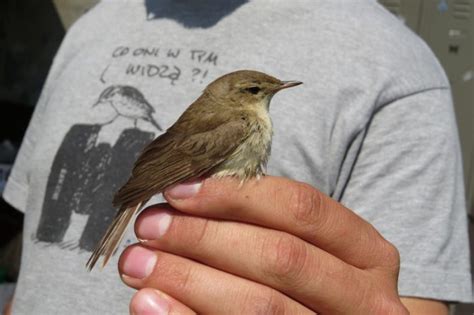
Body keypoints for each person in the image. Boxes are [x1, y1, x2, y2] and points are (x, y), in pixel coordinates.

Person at [3, 0, 471, 314]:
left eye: (266, 91)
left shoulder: (396, 66)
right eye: (255, 90)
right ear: (237, 95)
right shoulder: (92, 26)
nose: (266, 96)